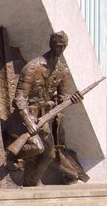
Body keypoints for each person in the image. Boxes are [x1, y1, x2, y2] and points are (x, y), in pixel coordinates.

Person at [12, 30, 85, 186]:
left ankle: (30, 181)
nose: (61, 49)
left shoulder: (63, 71)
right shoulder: (32, 67)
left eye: (64, 46)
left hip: (44, 118)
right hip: (24, 117)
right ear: (52, 45)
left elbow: (62, 99)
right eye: (58, 46)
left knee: (50, 154)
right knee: (37, 147)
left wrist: (73, 99)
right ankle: (9, 157)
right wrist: (28, 121)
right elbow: (19, 99)